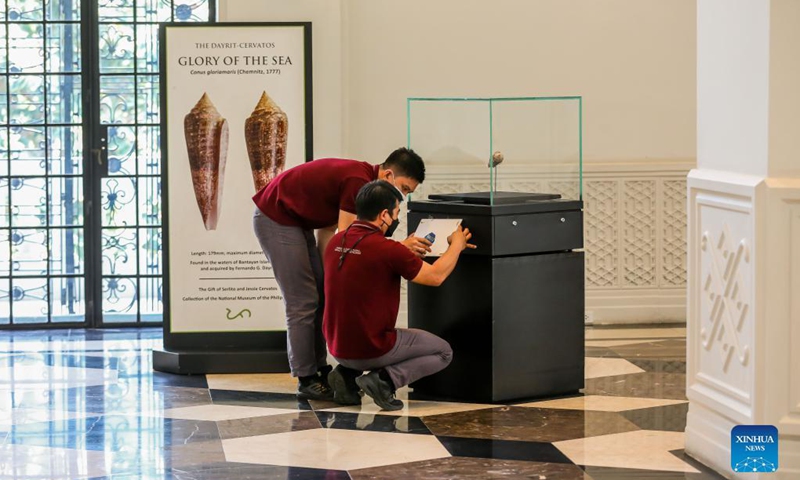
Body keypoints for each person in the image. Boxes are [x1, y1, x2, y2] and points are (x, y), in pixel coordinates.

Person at [252, 149, 433, 401]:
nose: (401, 197)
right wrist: (398, 248)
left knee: (319, 295)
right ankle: (306, 378)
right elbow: (352, 241)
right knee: (302, 302)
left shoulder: (360, 181)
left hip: (297, 222)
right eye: (403, 188)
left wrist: (332, 278)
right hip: (276, 218)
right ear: (388, 174)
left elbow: (329, 235)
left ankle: (321, 369)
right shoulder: (357, 181)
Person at [323, 180, 475, 410]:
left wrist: (401, 249)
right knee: (443, 351)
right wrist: (457, 244)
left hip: (336, 347)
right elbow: (435, 276)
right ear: (384, 215)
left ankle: (345, 375)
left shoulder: (337, 241)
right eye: (395, 213)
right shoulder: (388, 250)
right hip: (371, 349)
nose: (395, 219)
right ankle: (384, 380)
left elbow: (369, 259)